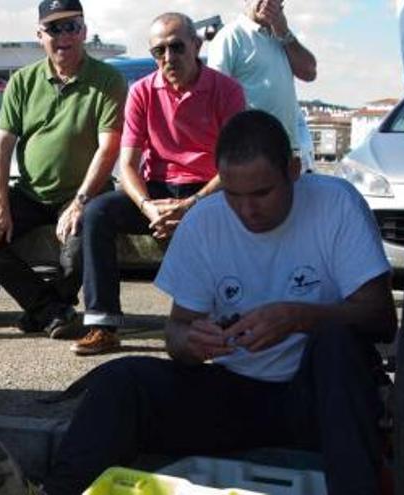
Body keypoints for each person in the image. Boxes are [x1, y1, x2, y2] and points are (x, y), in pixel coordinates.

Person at [43, 110, 397, 495]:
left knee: (337, 344)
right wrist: (193, 342)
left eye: (262, 193)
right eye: (233, 195)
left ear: (294, 171)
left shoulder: (335, 203)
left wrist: (299, 318)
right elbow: (176, 335)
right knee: (121, 381)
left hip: (318, 396)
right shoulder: (205, 221)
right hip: (235, 392)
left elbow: (381, 318)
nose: (248, 210)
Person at [72, 12, 245, 355]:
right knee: (97, 213)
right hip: (158, 192)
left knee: (228, 219)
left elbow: (234, 164)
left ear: (196, 46)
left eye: (177, 47)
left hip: (209, 190)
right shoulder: (141, 92)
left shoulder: (227, 91)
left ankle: (223, 321)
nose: (168, 57)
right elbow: (127, 165)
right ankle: (102, 324)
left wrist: (191, 205)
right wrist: (149, 208)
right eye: (159, 51)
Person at [0, 0, 126, 338]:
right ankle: (50, 309)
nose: (63, 35)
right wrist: (0, 203)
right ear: (40, 35)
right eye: (54, 28)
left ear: (83, 31)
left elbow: (109, 147)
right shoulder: (22, 81)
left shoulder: (108, 80)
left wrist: (80, 201)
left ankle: (43, 310)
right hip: (30, 191)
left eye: (71, 26)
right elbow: (1, 149)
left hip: (85, 191)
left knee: (83, 241)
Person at [208, 0, 317, 157]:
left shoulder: (282, 37)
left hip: (286, 148)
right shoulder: (230, 36)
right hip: (249, 150)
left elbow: (309, 72)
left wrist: (285, 34)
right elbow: (215, 98)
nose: (267, 3)